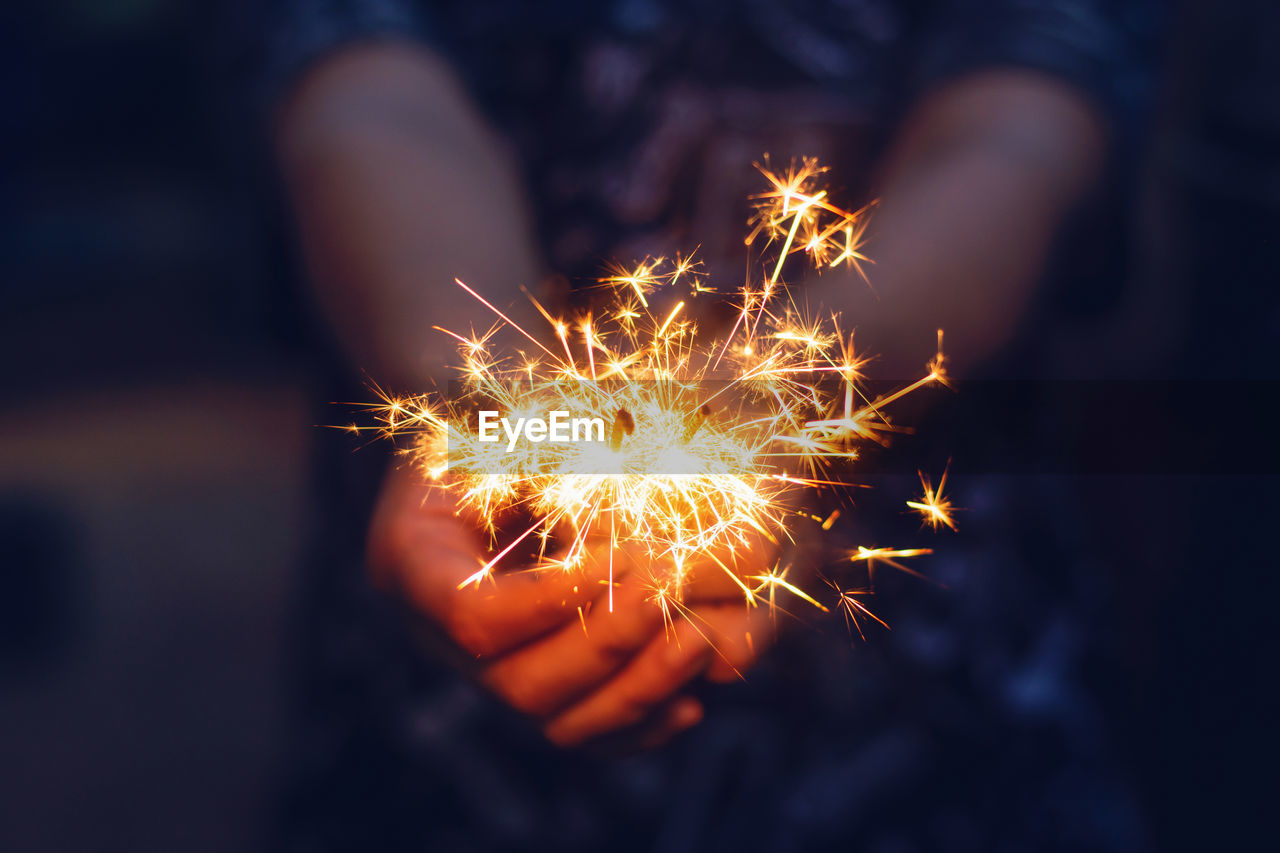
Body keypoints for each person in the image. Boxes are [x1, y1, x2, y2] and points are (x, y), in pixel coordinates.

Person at [267, 1, 1161, 848]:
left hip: (950, 704)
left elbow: (1023, 116)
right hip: (440, 750)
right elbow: (357, 77)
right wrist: (486, 395)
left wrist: (788, 397)